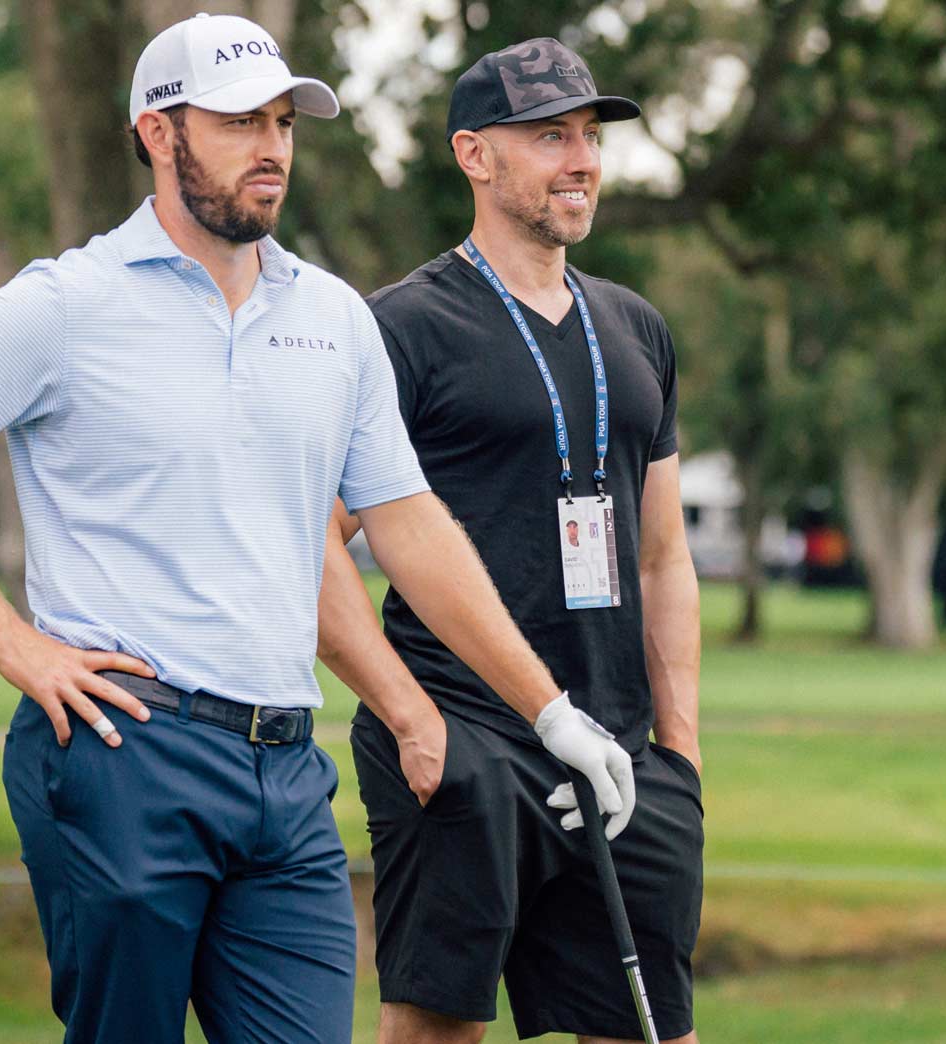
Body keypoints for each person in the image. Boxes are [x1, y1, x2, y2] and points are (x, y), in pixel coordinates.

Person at [0, 16, 636, 1044]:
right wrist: (8, 640)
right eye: (238, 121)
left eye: (283, 122)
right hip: (124, 749)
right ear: (158, 134)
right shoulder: (65, 303)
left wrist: (547, 711)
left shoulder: (334, 317)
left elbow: (410, 525)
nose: (272, 147)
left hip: (285, 772)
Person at [317, 37, 704, 1044]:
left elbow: (662, 557)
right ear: (473, 156)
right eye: (547, 137)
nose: (580, 160)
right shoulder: (398, 330)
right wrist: (408, 718)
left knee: (650, 1032)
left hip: (619, 753)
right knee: (440, 1033)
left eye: (588, 137)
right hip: (465, 741)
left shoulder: (635, 328)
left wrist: (681, 755)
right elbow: (307, 545)